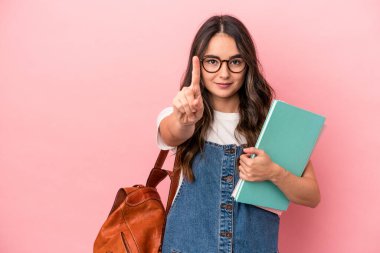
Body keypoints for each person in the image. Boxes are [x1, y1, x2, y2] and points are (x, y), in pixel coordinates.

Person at [156, 15, 320, 253]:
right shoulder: (180, 115)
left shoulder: (272, 124)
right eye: (212, 62)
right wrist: (184, 120)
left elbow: (312, 196)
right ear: (198, 64)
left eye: (235, 62)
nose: (224, 74)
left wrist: (274, 173)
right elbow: (172, 134)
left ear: (248, 65)